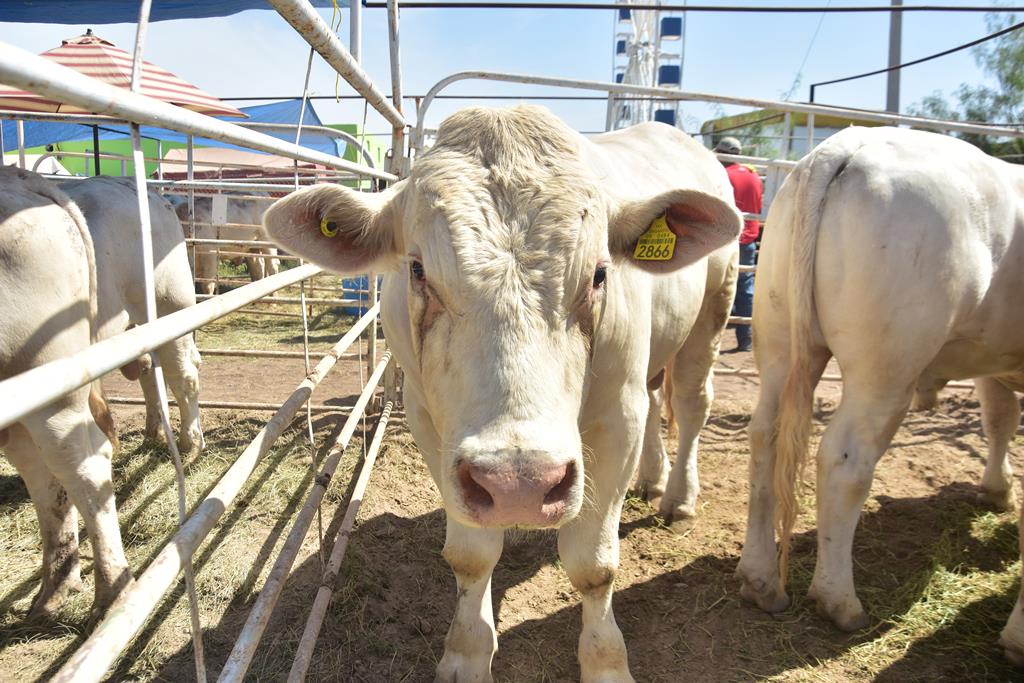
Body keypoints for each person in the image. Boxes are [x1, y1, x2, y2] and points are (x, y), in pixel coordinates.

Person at [715, 136, 763, 353]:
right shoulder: (754, 175)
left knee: (717, 285)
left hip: (727, 237)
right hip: (750, 236)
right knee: (745, 286)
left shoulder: (723, 174)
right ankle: (746, 337)